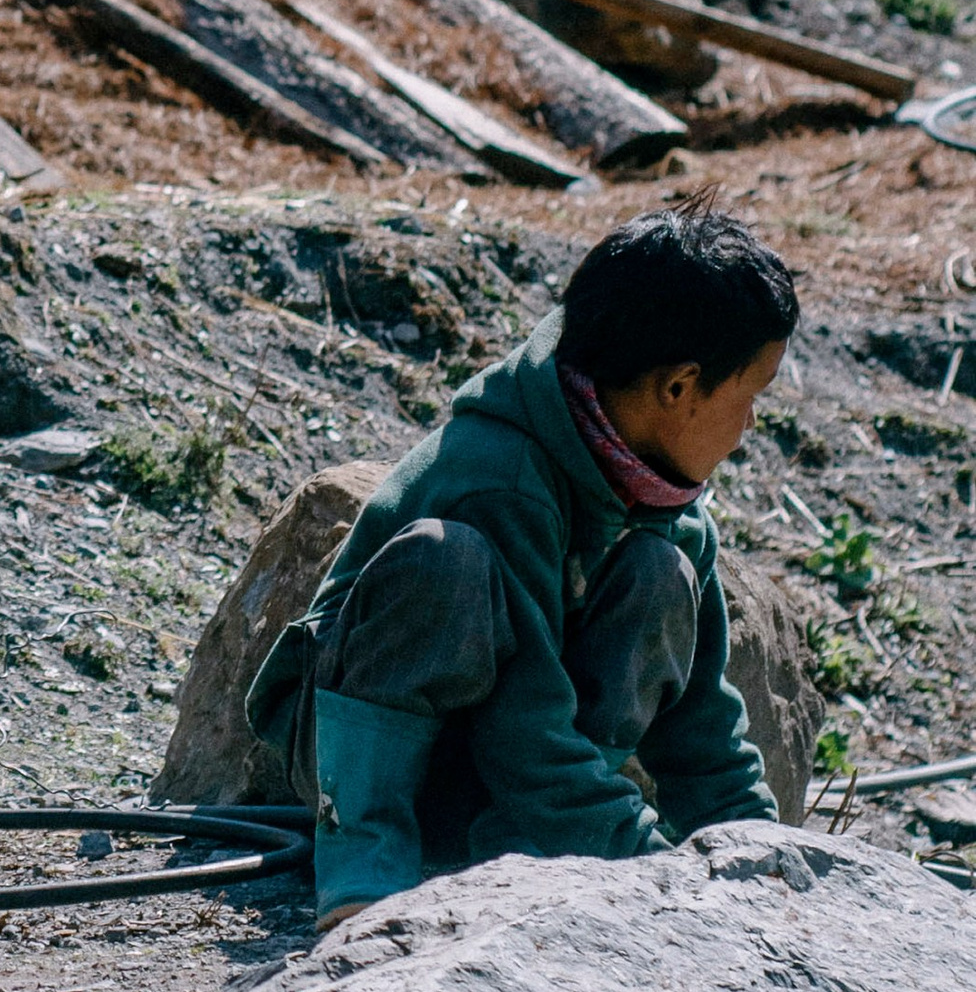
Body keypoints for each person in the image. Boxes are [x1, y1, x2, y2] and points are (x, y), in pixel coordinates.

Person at [248, 199, 798, 931]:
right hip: (377, 759)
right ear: (677, 388)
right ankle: (365, 869)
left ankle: (524, 845)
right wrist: (643, 866)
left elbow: (703, 732)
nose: (751, 425)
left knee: (659, 575)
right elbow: (522, 725)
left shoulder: (660, 498)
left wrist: (766, 866)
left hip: (513, 772)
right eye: (749, 397)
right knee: (446, 561)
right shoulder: (499, 479)